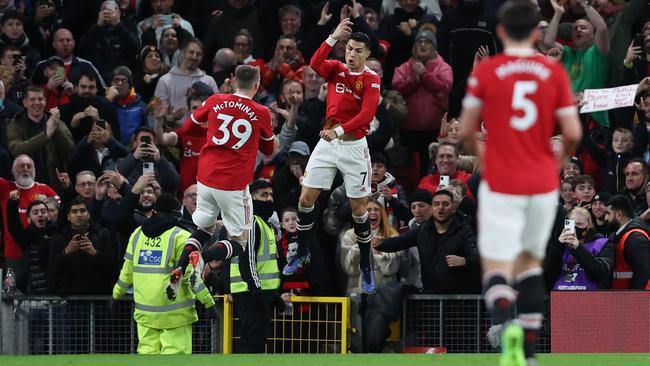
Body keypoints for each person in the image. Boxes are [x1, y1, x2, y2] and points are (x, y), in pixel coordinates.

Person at [458, 1, 582, 365]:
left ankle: (504, 324)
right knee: (529, 265)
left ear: (500, 33)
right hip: (541, 183)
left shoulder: (488, 71)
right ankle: (526, 352)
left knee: (497, 265)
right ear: (535, 34)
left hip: (501, 180)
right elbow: (572, 132)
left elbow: (466, 131)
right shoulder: (551, 71)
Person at [282, 18, 381, 295]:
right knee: (304, 199)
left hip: (353, 147)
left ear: (367, 54)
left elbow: (366, 115)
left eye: (357, 50)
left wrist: (338, 131)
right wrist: (332, 36)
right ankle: (301, 251)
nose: (351, 54)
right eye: (348, 48)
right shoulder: (335, 70)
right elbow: (314, 63)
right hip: (328, 144)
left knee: (359, 210)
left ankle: (365, 264)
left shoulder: (371, 81)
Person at [166, 64, 275, 300]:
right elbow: (269, 150)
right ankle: (202, 257)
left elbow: (187, 128)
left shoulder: (215, 100)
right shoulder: (261, 111)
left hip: (205, 179)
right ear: (257, 85)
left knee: (203, 228)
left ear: (233, 81)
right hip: (233, 185)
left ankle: (181, 266)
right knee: (240, 242)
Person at [112, 193, 217, 354]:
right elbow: (191, 277)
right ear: (177, 213)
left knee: (147, 356)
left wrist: (116, 295)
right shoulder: (181, 237)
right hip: (175, 313)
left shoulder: (137, 235)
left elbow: (127, 272)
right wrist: (209, 303)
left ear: (154, 211)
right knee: (175, 358)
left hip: (146, 313)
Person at [375, 190, 481, 294]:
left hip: (459, 300)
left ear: (453, 208)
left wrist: (465, 261)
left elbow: (480, 260)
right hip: (430, 297)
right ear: (432, 208)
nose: (440, 208)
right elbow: (401, 241)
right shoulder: (422, 230)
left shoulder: (464, 231)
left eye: (445, 204)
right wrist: (381, 243)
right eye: (436, 204)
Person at [223, 196, 281, 353]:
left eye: (270, 193)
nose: (269, 198)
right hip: (250, 291)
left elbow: (265, 264)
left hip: (258, 290)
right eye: (263, 195)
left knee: (256, 340)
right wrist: (256, 290)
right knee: (253, 342)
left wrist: (274, 294)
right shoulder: (252, 223)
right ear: (251, 197)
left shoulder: (265, 224)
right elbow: (247, 259)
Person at [5, 85, 75, 191]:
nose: (37, 103)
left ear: (45, 101)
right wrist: (45, 135)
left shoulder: (57, 122)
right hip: (26, 184)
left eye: (40, 99)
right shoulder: (15, 125)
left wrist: (56, 127)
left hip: (54, 184)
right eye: (32, 99)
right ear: (25, 103)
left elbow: (70, 149)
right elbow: (16, 150)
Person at [544, 207, 614, 290]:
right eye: (572, 224)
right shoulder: (560, 244)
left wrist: (578, 248)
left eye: (579, 224)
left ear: (588, 225)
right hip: (560, 297)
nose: (575, 227)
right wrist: (557, 246)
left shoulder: (602, 243)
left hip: (591, 297)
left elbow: (601, 273)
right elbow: (548, 274)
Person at [604, 194, 650, 289]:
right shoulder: (621, 235)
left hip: (634, 299)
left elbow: (644, 272)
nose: (605, 218)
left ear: (619, 215)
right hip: (623, 296)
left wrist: (633, 299)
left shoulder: (635, 238)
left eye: (608, 213)